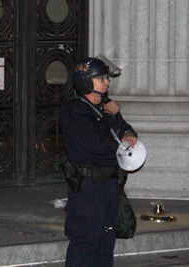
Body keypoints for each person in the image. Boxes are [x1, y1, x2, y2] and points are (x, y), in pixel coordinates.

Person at [60, 57, 139, 267]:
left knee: (105, 242)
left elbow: (122, 127)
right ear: (86, 81)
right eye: (101, 78)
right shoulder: (75, 110)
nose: (107, 83)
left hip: (110, 185)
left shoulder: (106, 107)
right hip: (88, 187)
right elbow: (97, 143)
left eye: (107, 78)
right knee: (85, 241)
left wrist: (128, 134)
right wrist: (110, 115)